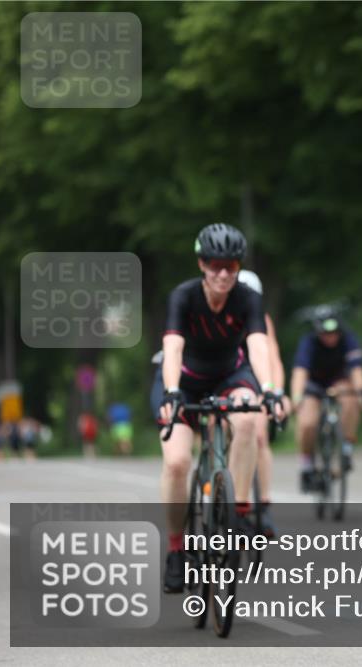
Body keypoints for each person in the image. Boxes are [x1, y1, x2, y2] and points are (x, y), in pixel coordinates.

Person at [152, 223, 284, 594]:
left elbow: (258, 347)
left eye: (230, 265)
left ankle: (239, 510)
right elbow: (173, 348)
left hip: (230, 375)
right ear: (201, 263)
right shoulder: (183, 296)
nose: (223, 273)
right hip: (184, 378)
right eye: (214, 265)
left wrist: (270, 390)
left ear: (238, 266)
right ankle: (177, 548)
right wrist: (173, 391)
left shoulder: (247, 298)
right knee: (177, 463)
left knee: (248, 419)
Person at [291, 306, 362, 492]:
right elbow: (300, 373)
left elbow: (357, 371)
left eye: (334, 333)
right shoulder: (309, 342)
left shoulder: (348, 339)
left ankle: (346, 449)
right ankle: (306, 464)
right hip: (314, 384)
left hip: (339, 382)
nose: (330, 337)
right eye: (325, 334)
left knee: (351, 399)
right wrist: (296, 398)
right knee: (307, 423)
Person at [237, 269, 291, 537]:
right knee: (214, 425)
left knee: (259, 436)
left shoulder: (262, 319)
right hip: (224, 376)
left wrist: (278, 392)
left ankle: (263, 506)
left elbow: (272, 357)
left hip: (257, 380)